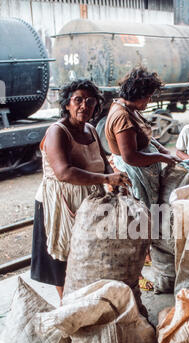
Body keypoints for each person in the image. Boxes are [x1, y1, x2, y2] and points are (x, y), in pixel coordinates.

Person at [31, 79, 130, 301]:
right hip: (59, 204)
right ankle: (67, 307)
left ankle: (84, 305)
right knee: (62, 260)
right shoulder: (58, 132)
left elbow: (103, 162)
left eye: (90, 101)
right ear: (67, 104)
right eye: (78, 100)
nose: (84, 105)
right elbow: (64, 172)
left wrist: (115, 183)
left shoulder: (92, 130)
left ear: (96, 106)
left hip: (88, 201)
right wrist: (106, 177)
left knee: (85, 256)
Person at [105, 66, 181, 209]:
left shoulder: (129, 108)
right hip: (133, 172)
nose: (150, 100)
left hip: (143, 167)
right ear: (137, 94)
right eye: (148, 96)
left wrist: (161, 149)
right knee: (140, 213)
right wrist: (161, 157)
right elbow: (130, 157)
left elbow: (143, 133)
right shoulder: (122, 117)